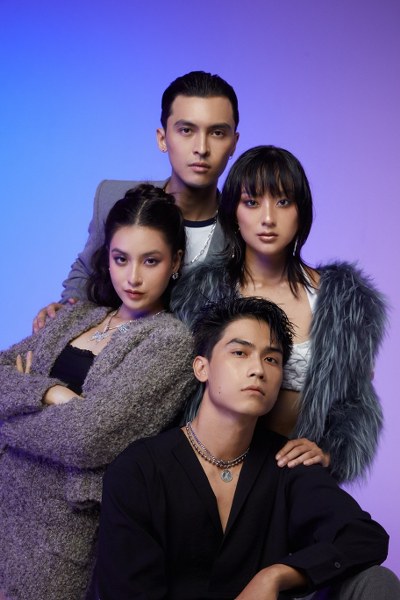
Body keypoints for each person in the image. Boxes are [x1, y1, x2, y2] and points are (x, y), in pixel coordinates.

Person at [97, 297, 399, 599]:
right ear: (202, 368)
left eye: (272, 360)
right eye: (240, 353)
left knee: (375, 580)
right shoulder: (139, 469)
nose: (258, 369)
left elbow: (364, 537)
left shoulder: (287, 462)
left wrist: (276, 575)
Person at [0, 185, 196, 600]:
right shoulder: (77, 316)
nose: (133, 277)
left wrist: (10, 414)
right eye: (121, 259)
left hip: (58, 532)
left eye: (151, 261)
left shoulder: (170, 342)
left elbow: (88, 438)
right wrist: (53, 393)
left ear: (176, 262)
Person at [171, 145, 387, 483]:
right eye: (252, 202)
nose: (268, 218)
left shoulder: (344, 302)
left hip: (298, 479)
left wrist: (332, 454)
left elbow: (357, 401)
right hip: (214, 472)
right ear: (233, 211)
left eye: (283, 202)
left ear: (302, 211)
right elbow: (176, 389)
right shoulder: (199, 294)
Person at [33, 70, 240, 331]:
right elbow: (87, 270)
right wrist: (64, 312)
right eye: (186, 130)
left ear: (234, 143)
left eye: (217, 133)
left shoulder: (243, 230)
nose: (201, 148)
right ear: (162, 139)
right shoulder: (115, 199)